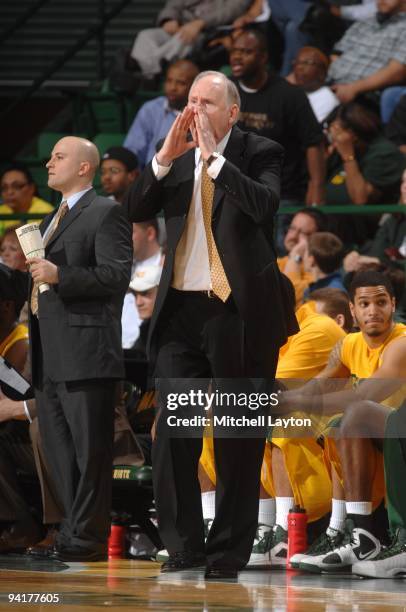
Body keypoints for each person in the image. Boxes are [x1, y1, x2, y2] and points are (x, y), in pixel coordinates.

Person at [123, 70, 297, 579]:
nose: (194, 109)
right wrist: (162, 160)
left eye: (206, 102)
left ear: (232, 112)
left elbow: (264, 204)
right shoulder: (172, 156)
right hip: (180, 313)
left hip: (237, 313)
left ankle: (227, 553)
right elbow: (135, 208)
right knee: (174, 434)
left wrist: (213, 161)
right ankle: (183, 547)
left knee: (237, 439)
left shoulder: (259, 151)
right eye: (190, 100)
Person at [26, 136, 132, 562]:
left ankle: (87, 539)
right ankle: (71, 534)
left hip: (87, 350)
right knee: (60, 451)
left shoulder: (105, 212)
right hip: (50, 351)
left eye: (59, 156)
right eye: (50, 156)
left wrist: (60, 273)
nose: (49, 162)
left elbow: (114, 276)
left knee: (90, 453)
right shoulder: (55, 217)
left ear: (85, 167)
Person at [279, 271, 406, 572]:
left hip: (398, 434)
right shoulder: (349, 344)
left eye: (380, 302)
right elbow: (319, 384)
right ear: (352, 310)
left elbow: (367, 395)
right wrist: (278, 399)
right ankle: (352, 534)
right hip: (384, 439)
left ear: (393, 304)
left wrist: (294, 402)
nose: (372, 310)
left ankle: (370, 535)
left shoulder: (401, 343)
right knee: (334, 424)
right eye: (364, 304)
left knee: (357, 411)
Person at [229, 28, 325, 252]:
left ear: (263, 57)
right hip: (236, 190)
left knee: (279, 254)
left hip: (283, 194)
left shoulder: (289, 95)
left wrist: (317, 188)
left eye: (246, 51)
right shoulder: (226, 91)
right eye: (234, 50)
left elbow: (313, 143)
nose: (237, 56)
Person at [324, 102, 405, 246]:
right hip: (335, 233)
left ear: (352, 133)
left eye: (337, 131)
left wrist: (348, 156)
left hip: (369, 240)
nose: (333, 136)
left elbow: (360, 200)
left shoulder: (383, 154)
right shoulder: (340, 152)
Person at [129, 0, 252, 77]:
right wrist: (169, 19)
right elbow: (172, 5)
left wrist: (201, 23)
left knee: (182, 38)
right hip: (179, 27)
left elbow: (232, 11)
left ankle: (148, 71)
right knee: (145, 36)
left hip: (207, 32)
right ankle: (157, 69)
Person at [327, 0, 406, 104]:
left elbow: (397, 72)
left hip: (365, 95)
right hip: (332, 85)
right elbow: (337, 53)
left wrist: (354, 88)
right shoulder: (366, 21)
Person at [124, 60, 199, 168]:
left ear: (194, 87)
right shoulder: (151, 109)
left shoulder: (201, 114)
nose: (173, 87)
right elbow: (133, 151)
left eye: (181, 83)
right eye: (169, 81)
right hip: (152, 177)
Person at [343, 167, 406, 275]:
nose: (405, 187)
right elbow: (376, 253)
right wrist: (356, 258)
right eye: (403, 181)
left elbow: (379, 261)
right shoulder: (393, 220)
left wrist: (380, 262)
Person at [122, 220, 163, 350]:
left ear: (150, 233)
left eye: (130, 232)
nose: (123, 238)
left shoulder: (168, 268)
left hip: (146, 351)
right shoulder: (120, 269)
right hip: (118, 352)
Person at [277, 208, 327, 306]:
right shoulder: (276, 262)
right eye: (292, 228)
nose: (294, 236)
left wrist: (296, 257)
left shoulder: (317, 273)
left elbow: (288, 299)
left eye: (304, 233)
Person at [288, 46, 339, 124]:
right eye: (297, 62)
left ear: (322, 72)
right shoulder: (293, 90)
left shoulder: (326, 98)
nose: (299, 67)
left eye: (306, 63)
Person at [0, 164, 53, 236]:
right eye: (4, 187)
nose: (9, 192)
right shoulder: (2, 210)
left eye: (17, 186)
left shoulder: (46, 211)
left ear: (31, 188)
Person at [302, 231, 346, 298]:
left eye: (304, 252)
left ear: (311, 260)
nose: (302, 257)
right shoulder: (337, 290)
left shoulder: (333, 294)